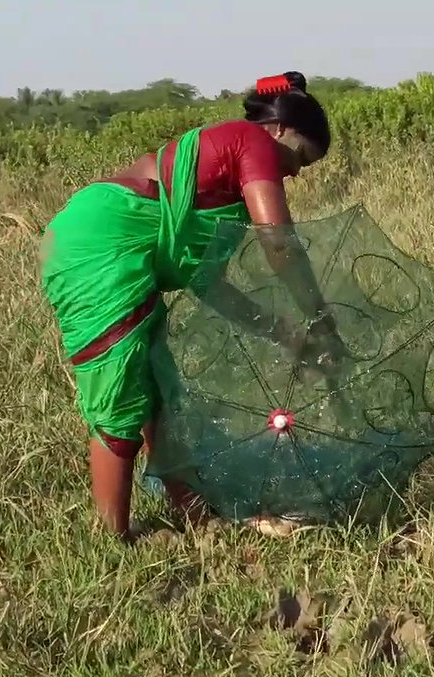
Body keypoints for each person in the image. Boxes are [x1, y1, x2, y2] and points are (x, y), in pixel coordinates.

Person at [40, 70, 351, 538]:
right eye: (300, 157)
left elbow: (209, 285)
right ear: (280, 130)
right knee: (121, 396)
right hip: (100, 248)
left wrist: (285, 332)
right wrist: (320, 316)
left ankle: (192, 511)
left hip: (102, 240)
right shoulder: (252, 142)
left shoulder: (218, 178)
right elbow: (281, 245)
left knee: (160, 389)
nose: (294, 172)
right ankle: (113, 540)